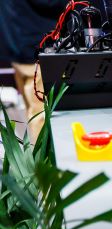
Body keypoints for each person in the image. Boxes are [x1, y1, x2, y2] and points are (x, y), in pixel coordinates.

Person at [0, 1, 103, 139]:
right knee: (41, 114)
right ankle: (43, 152)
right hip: (35, 47)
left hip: (18, 43)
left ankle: (36, 148)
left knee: (33, 111)